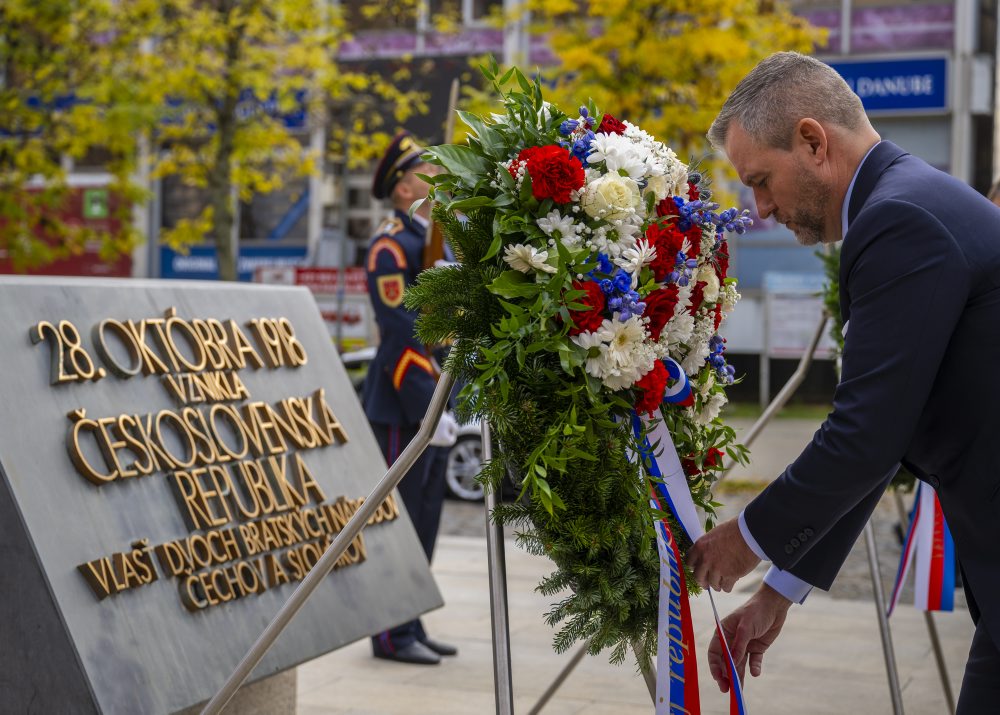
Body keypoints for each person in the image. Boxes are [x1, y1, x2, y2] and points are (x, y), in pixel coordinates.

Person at [685, 51, 1000, 712]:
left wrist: (744, 542)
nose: (761, 208)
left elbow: (865, 434)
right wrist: (780, 587)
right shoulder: (904, 203)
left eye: (762, 181)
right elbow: (888, 433)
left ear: (812, 141)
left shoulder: (899, 221)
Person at [364, 131, 459, 665]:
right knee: (396, 522)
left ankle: (410, 621)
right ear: (403, 190)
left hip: (434, 399)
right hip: (404, 404)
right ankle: (387, 634)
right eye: (426, 172)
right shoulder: (389, 247)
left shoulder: (436, 242)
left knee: (423, 523)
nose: (437, 178)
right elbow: (401, 333)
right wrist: (429, 407)